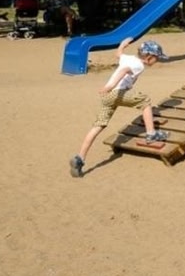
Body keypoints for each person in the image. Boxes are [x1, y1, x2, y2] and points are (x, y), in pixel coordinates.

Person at [70, 37, 169, 178]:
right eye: (156, 58)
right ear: (148, 56)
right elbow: (124, 70)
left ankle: (80, 158)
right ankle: (151, 134)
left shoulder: (128, 58)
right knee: (145, 101)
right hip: (116, 92)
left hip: (107, 97)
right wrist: (110, 86)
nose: (157, 60)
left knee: (99, 125)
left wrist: (122, 44)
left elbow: (118, 54)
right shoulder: (138, 65)